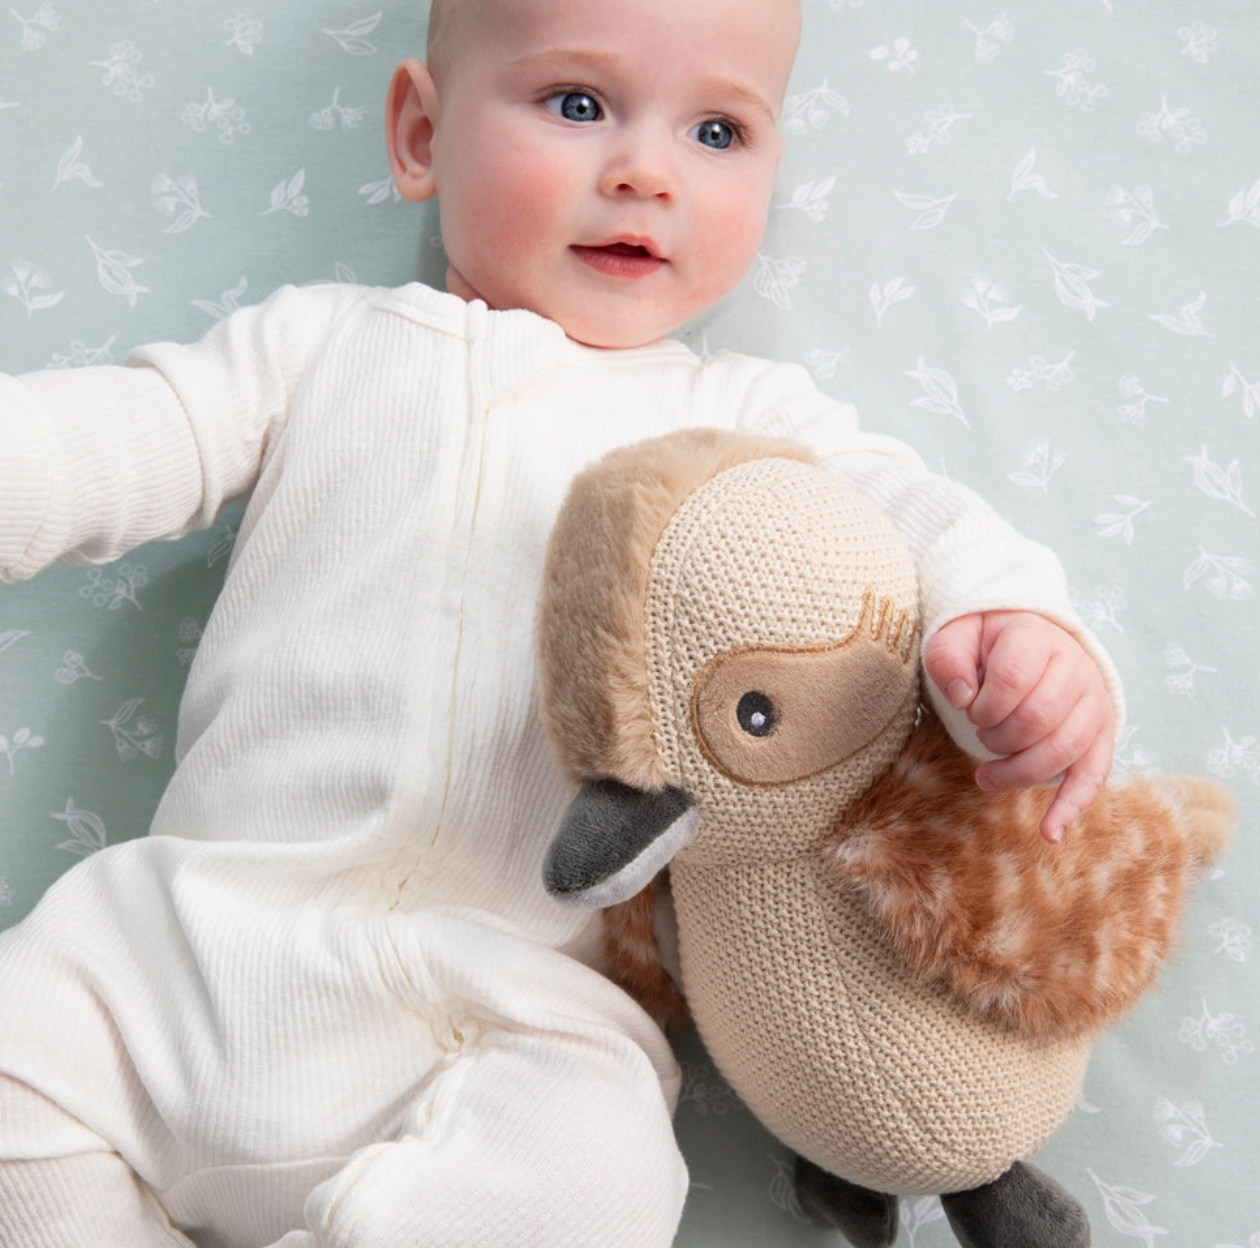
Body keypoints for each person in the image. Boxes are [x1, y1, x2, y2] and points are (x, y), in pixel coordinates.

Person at [0, 0, 1119, 1244]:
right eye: (576, 105)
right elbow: (109, 440)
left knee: (605, 1168)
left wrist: (1007, 614)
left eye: (716, 131)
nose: (645, 171)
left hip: (501, 1009)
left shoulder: (738, 420)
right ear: (421, 135)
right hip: (186, 951)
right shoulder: (320, 347)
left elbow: (903, 512)